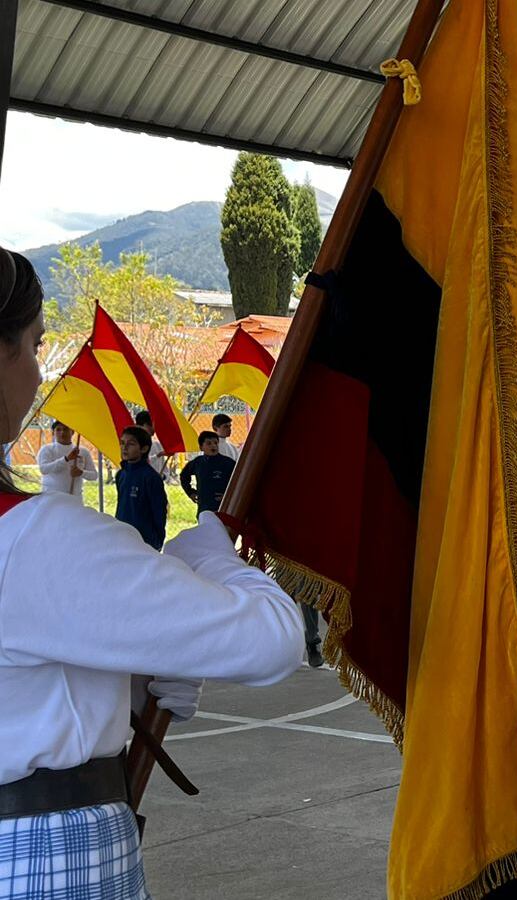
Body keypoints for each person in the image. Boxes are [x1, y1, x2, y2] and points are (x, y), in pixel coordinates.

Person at [0, 247, 304, 894]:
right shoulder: (32, 539)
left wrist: (134, 677)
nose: (35, 371)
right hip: (46, 860)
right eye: (31, 346)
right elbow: (272, 639)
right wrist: (214, 559)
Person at [115, 426, 167, 550]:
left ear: (144, 448)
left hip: (144, 540)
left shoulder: (151, 478)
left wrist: (157, 540)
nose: (124, 447)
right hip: (122, 535)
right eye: (122, 443)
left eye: (131, 444)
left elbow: (159, 511)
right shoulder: (121, 475)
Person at [36, 420, 99, 497]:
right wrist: (66, 459)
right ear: (53, 433)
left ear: (72, 432)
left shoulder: (82, 451)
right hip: (51, 497)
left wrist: (81, 473)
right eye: (58, 430)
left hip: (74, 497)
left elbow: (94, 475)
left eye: (65, 429)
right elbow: (44, 469)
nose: (62, 432)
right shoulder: (47, 449)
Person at [179, 430, 236, 515]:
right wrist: (190, 492)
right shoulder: (198, 462)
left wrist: (228, 496)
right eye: (209, 443)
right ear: (201, 447)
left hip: (224, 506)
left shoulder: (228, 463)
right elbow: (184, 476)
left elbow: (238, 482)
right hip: (204, 506)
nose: (213, 446)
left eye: (215, 443)